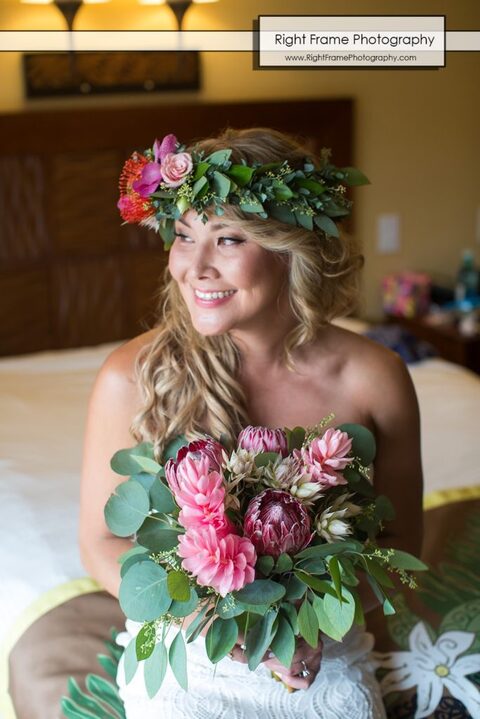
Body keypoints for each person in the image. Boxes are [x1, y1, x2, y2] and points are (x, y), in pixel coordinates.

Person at [79, 127, 423, 718]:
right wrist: (207, 617)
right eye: (184, 236)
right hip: (186, 655)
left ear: (293, 248)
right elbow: (100, 541)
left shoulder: (374, 377)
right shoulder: (132, 377)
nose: (195, 267)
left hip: (321, 661)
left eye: (229, 239)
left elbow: (400, 545)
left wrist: (311, 627)